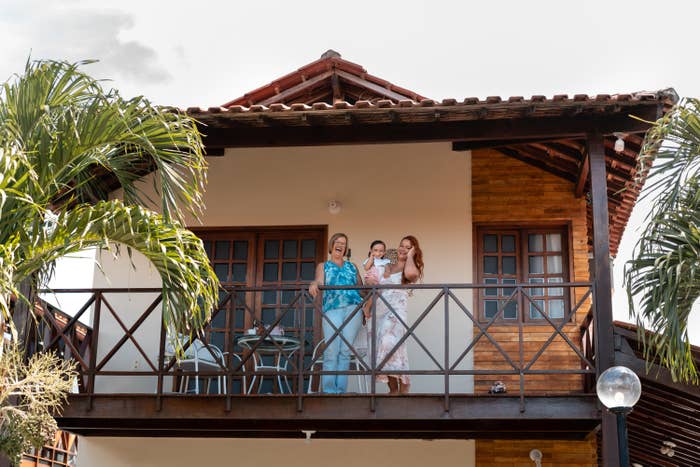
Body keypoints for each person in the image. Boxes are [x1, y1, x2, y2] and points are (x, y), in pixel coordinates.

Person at [309, 233, 364, 394]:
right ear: (332, 245)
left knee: (345, 351)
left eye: (344, 243)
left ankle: (340, 391)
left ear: (346, 248)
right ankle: (328, 391)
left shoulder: (352, 266)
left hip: (353, 310)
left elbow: (362, 289)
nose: (341, 245)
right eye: (338, 242)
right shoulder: (323, 266)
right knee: (332, 349)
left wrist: (375, 280)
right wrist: (313, 283)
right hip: (333, 309)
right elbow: (319, 281)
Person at [369, 235, 423, 394]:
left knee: (389, 342)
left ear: (413, 250)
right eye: (402, 246)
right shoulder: (388, 265)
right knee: (389, 347)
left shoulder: (410, 266)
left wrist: (411, 256)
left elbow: (412, 276)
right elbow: (378, 288)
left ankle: (404, 385)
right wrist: (367, 307)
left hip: (396, 312)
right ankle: (393, 388)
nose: (403, 249)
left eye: (408, 247)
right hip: (380, 310)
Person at [362, 240, 389, 321]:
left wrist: (387, 272)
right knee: (375, 289)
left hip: (378, 283)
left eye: (381, 251)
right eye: (375, 250)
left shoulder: (385, 261)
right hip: (370, 279)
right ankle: (366, 308)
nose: (378, 253)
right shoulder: (369, 260)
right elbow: (366, 268)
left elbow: (388, 270)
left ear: (384, 252)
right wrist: (371, 257)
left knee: (376, 292)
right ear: (371, 251)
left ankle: (367, 308)